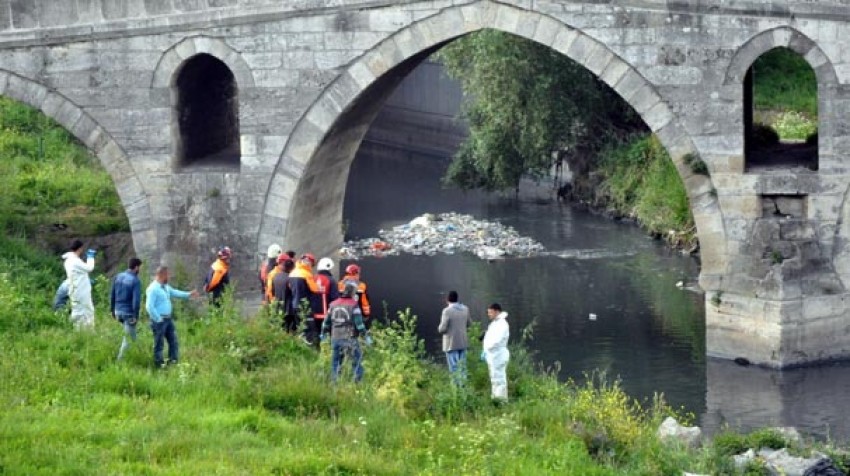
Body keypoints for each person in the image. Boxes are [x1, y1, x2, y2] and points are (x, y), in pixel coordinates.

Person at [146, 266, 199, 367]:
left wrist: (189, 294)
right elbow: (149, 306)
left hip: (168, 319)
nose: (169, 277)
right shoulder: (153, 289)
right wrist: (158, 318)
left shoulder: (165, 287)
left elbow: (175, 292)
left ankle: (173, 362)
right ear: (163, 275)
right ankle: (159, 365)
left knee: (173, 341)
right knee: (159, 343)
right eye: (168, 275)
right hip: (159, 320)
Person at [320, 281, 372, 383]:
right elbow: (359, 325)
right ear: (353, 292)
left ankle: (335, 384)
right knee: (356, 361)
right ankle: (357, 383)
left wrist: (323, 333)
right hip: (350, 338)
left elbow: (326, 322)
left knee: (336, 362)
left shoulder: (333, 304)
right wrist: (365, 337)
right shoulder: (354, 305)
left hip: (335, 338)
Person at [110, 257, 143, 360]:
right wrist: (135, 316)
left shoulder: (118, 276)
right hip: (128, 313)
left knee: (132, 337)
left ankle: (136, 358)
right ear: (136, 267)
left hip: (117, 310)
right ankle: (119, 362)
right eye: (140, 268)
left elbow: (112, 294)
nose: (140, 270)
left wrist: (112, 310)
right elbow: (136, 301)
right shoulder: (135, 280)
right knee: (128, 339)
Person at [437, 290, 471, 386]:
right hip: (463, 343)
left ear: (447, 300)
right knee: (463, 368)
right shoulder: (465, 309)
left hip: (451, 344)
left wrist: (439, 328)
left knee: (454, 368)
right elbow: (469, 324)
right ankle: (463, 387)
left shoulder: (447, 311)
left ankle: (456, 391)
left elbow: (442, 329)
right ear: (457, 299)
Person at [61, 240, 96, 329]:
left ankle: (78, 332)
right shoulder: (75, 261)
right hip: (81, 291)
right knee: (87, 311)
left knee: (77, 311)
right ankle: (87, 332)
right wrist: (90, 257)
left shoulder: (68, 260)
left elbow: (80, 272)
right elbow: (89, 268)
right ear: (80, 248)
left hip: (74, 289)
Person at [288, 253, 321, 343]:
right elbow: (314, 289)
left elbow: (290, 287)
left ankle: (300, 345)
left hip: (294, 304)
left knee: (300, 326)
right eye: (312, 264)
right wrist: (319, 287)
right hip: (305, 306)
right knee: (309, 329)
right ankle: (310, 348)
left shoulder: (292, 273)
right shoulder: (307, 274)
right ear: (309, 262)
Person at [482, 303, 510, 401]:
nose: (489, 314)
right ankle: (495, 399)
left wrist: (487, 348)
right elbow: (489, 337)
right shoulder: (494, 323)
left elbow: (496, 340)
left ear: (497, 311)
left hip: (499, 355)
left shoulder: (502, 324)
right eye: (488, 312)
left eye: (490, 312)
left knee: (499, 378)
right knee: (494, 378)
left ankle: (501, 401)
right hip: (493, 355)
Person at [271, 256, 297, 333]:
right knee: (290, 330)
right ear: (291, 268)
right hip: (288, 309)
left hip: (278, 307)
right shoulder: (290, 278)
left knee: (281, 329)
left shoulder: (275, 277)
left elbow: (273, 291)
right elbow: (293, 292)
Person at [314, 257, 339, 323]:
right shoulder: (331, 280)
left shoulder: (312, 279)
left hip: (312, 315)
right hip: (326, 315)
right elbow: (335, 299)